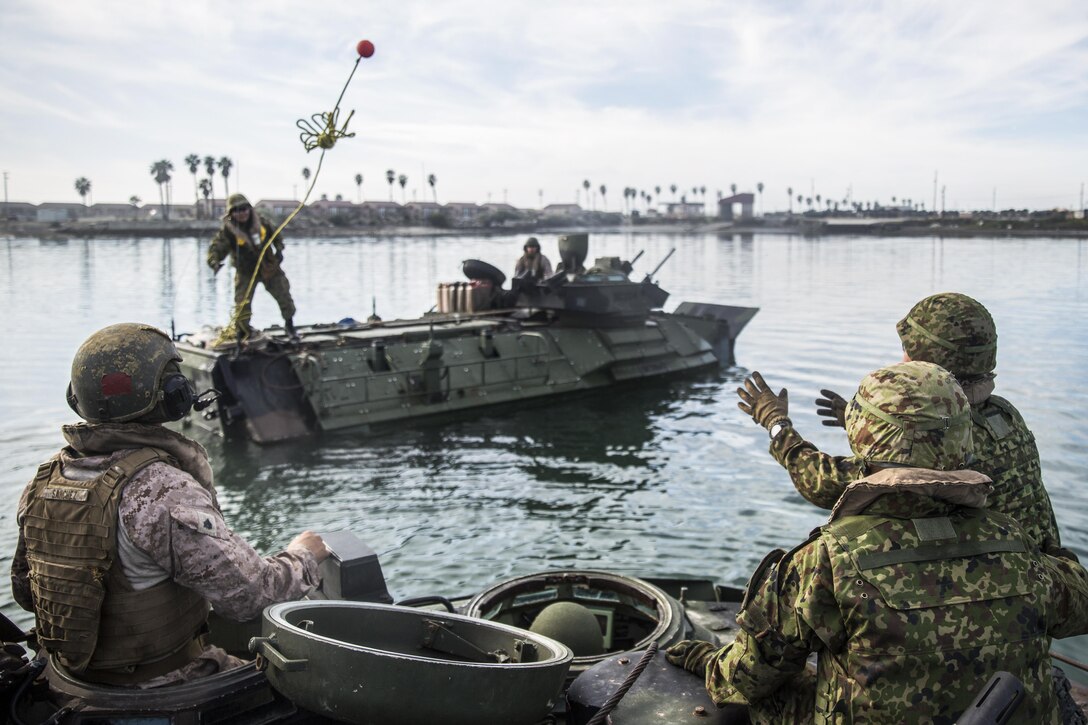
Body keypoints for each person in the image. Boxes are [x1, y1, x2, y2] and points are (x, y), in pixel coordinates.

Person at [669, 361, 1088, 723]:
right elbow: (1079, 608)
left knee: (776, 691)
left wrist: (702, 658)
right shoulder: (1018, 544)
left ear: (862, 438)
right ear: (964, 439)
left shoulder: (827, 559)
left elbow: (746, 678)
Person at [10, 323, 328, 687]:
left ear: (77, 397)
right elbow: (250, 596)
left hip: (69, 682)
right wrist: (303, 556)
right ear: (173, 395)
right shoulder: (160, 489)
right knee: (313, 682)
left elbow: (24, 590)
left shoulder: (44, 479)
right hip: (158, 687)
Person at [749, 292, 1060, 551]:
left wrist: (776, 424)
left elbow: (823, 482)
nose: (903, 361)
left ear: (928, 361)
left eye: (908, 352)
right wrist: (871, 425)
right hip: (1036, 583)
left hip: (986, 590)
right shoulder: (1005, 415)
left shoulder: (943, 441)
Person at [207, 193, 297, 340]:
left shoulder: (262, 223)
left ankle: (290, 325)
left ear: (249, 209)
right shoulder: (228, 231)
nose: (241, 213)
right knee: (242, 304)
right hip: (245, 272)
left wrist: (279, 250)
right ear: (231, 213)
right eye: (236, 210)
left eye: (244, 209)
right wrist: (214, 262)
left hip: (269, 267)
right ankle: (242, 332)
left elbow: (277, 236)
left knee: (284, 295)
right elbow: (217, 248)